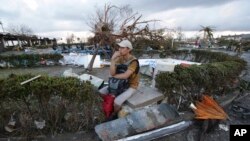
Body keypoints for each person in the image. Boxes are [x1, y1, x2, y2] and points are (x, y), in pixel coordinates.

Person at [99, 39, 140, 119]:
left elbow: (125, 76)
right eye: (119, 47)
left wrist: (113, 77)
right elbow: (112, 73)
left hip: (130, 85)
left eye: (122, 48)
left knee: (117, 102)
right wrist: (113, 60)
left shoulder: (133, 61)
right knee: (101, 92)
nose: (119, 49)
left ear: (128, 49)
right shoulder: (119, 58)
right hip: (119, 83)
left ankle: (113, 115)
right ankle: (106, 107)